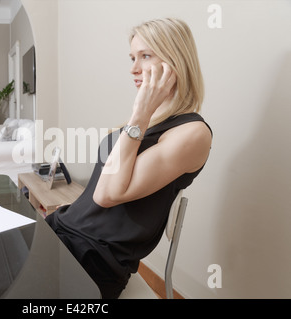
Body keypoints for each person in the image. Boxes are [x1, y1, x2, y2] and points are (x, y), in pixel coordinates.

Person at [46, 18, 213, 299]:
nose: (133, 68)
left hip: (93, 258)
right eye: (133, 57)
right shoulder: (146, 122)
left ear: (175, 61)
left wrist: (140, 113)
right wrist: (74, 208)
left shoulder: (192, 133)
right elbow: (99, 187)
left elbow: (109, 194)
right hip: (65, 228)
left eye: (145, 56)